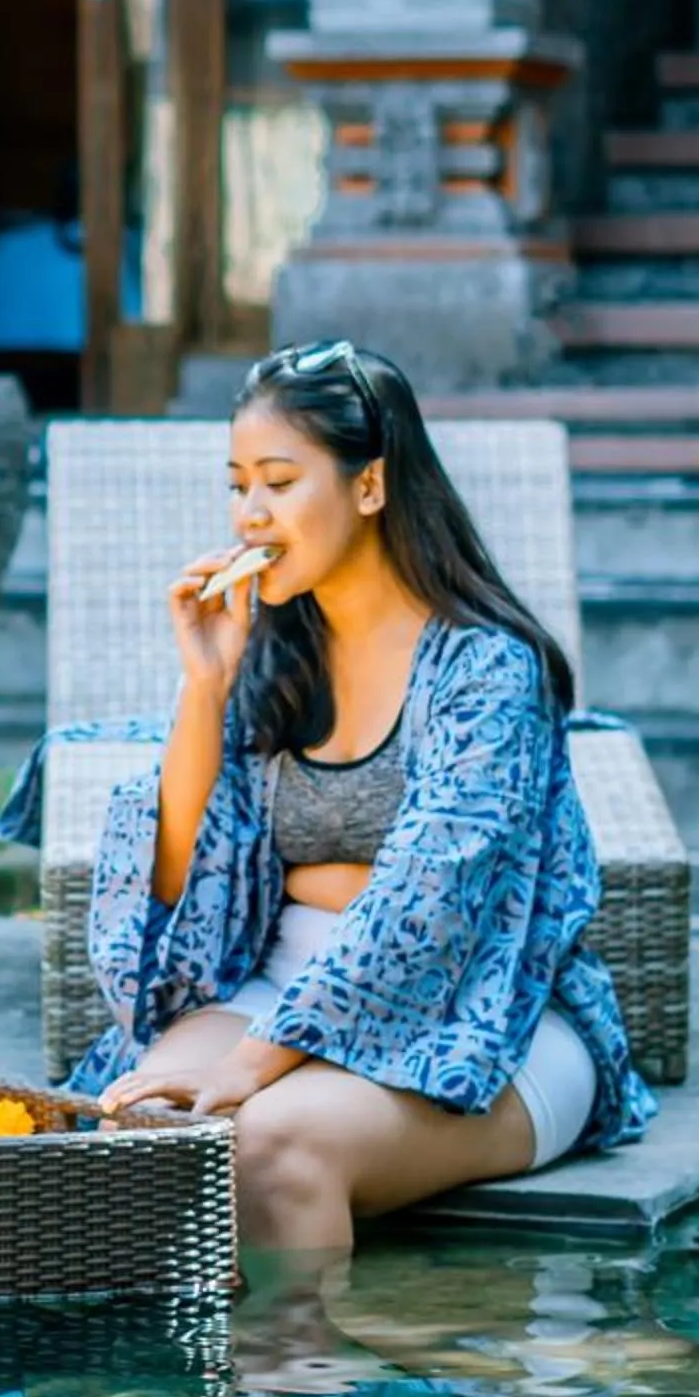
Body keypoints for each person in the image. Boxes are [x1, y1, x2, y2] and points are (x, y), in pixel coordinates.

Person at [83, 341, 654, 1261]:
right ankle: (200, 1396)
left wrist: (252, 1067)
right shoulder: (273, 654)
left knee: (269, 1145)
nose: (250, 514)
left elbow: (430, 905)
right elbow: (183, 877)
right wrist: (206, 685)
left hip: (487, 1007)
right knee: (144, 1135)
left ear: (370, 487)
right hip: (275, 987)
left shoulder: (486, 671)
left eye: (278, 481)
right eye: (237, 486)